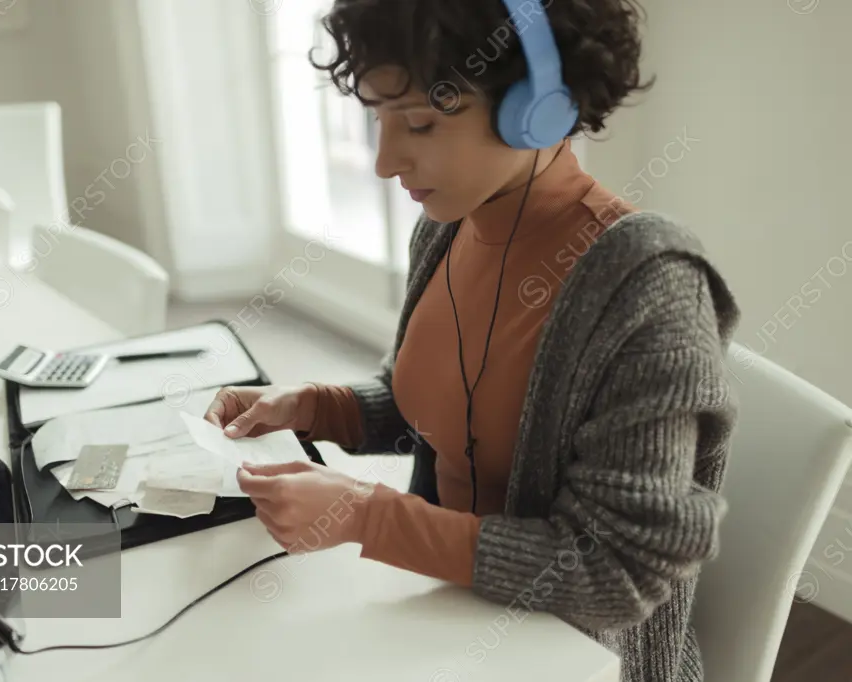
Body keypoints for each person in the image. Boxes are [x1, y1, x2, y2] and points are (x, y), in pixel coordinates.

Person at [203, 1, 740, 680]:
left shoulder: (645, 290)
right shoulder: (448, 226)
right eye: (378, 119)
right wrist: (314, 406)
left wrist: (368, 516)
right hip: (446, 615)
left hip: (571, 660)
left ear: (537, 106)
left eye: (420, 123)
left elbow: (615, 572)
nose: (384, 160)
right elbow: (445, 413)